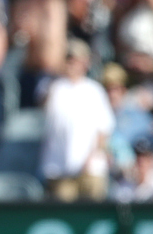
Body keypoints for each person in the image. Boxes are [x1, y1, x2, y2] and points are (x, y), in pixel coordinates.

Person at [39, 39, 115, 202]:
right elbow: (41, 104)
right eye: (69, 59)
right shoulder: (53, 86)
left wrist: (90, 158)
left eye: (77, 60)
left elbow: (104, 129)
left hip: (90, 169)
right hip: (59, 168)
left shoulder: (95, 90)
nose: (72, 64)